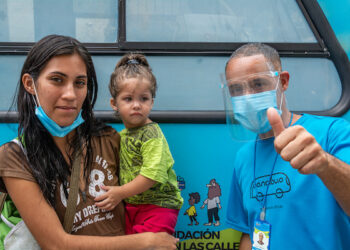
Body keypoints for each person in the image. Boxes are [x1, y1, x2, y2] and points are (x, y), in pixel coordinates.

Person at [0, 35, 178, 249]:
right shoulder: (16, 156)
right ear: (30, 84)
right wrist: (147, 241)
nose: (70, 94)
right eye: (57, 79)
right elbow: (56, 244)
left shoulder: (109, 138)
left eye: (80, 83)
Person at [224, 43, 350, 249]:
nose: (247, 97)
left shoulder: (332, 132)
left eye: (258, 84)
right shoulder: (243, 157)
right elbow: (248, 232)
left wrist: (325, 164)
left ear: (282, 82)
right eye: (236, 89)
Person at [94, 53, 183, 235]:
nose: (136, 105)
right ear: (114, 103)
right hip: (131, 205)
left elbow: (151, 175)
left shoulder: (151, 134)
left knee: (150, 245)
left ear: (152, 102)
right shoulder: (122, 135)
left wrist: (119, 193)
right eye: (128, 99)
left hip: (159, 206)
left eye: (143, 99)